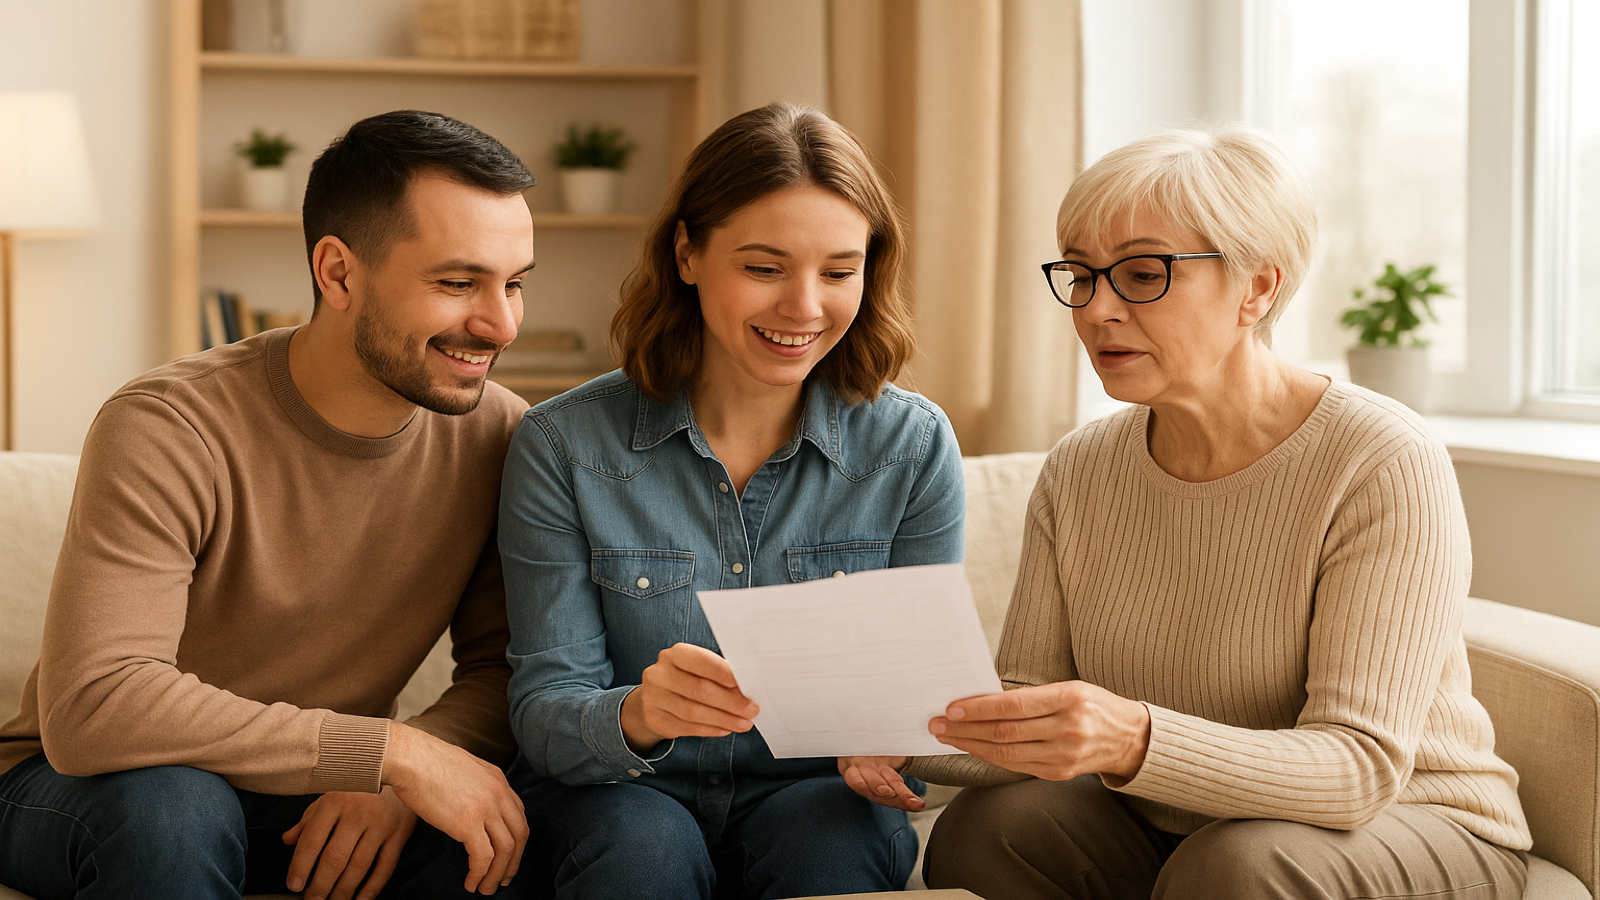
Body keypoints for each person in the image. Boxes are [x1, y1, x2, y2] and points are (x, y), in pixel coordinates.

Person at [844, 125, 1533, 900]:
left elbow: (1357, 770)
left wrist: (1133, 736)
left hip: (1406, 821)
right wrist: (893, 732)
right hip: (1183, 821)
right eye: (1081, 274)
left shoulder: (1380, 460)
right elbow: (1027, 711)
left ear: (1259, 288)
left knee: (1237, 867)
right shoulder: (1079, 470)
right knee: (992, 827)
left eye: (1142, 274)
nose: (1097, 309)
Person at [0, 110, 536, 900]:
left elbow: (503, 669)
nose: (499, 323)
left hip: (320, 793)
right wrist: (386, 752)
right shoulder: (169, 423)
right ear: (339, 273)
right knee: (174, 808)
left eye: (515, 283)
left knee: (511, 835)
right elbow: (97, 704)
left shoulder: (501, 436)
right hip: (94, 787)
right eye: (458, 283)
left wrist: (409, 765)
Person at [497, 101, 965, 899]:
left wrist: (889, 737)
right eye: (764, 267)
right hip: (625, 795)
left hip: (817, 796)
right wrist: (640, 714)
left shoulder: (912, 447)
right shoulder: (563, 445)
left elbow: (923, 700)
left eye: (839, 271)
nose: (805, 308)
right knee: (638, 850)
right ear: (687, 252)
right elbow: (545, 712)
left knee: (829, 844)